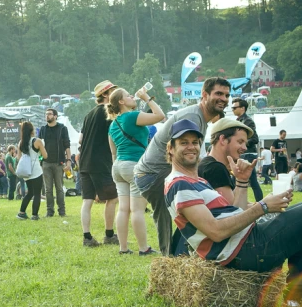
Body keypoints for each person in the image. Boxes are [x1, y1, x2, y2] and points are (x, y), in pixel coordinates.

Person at [164, 119, 302, 307]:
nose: (191, 147)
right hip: (247, 249)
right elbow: (217, 231)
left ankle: (299, 294)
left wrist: (242, 183)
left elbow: (235, 213)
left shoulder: (195, 180)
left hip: (246, 243)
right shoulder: (179, 184)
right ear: (171, 148)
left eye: (194, 142)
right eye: (183, 143)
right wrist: (263, 207)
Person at [134, 77, 231, 255]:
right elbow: (186, 156)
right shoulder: (193, 117)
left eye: (226, 95)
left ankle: (176, 255)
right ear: (204, 95)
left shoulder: (200, 118)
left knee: (187, 207)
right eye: (218, 93)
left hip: (153, 172)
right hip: (153, 173)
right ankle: (172, 257)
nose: (223, 98)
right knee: (185, 208)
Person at [107, 85, 163, 255]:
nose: (133, 96)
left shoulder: (113, 124)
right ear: (121, 101)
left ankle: (123, 248)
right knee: (137, 209)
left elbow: (113, 152)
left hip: (118, 167)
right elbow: (160, 116)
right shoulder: (132, 116)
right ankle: (143, 248)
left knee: (123, 209)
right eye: (128, 95)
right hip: (134, 165)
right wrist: (146, 98)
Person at [78, 81, 120, 247]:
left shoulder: (89, 114)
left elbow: (81, 139)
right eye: (113, 91)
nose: (116, 94)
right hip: (100, 162)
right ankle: (109, 235)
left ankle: (87, 237)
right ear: (105, 94)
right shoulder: (108, 111)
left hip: (85, 162)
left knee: (87, 200)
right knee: (113, 197)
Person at [198, 118, 253, 205]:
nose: (245, 148)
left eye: (245, 143)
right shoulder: (215, 168)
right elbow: (236, 213)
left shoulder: (208, 164)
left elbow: (238, 202)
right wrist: (264, 206)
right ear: (223, 139)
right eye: (240, 142)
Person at [40, 108, 71, 218]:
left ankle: (62, 211)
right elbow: (40, 146)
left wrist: (68, 161)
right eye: (46, 114)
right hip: (46, 163)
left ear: (55, 116)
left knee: (59, 188)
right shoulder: (43, 129)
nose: (47, 116)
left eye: (49, 114)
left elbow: (67, 145)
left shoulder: (62, 128)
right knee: (48, 189)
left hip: (59, 162)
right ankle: (50, 212)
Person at [230, 98, 263, 201]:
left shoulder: (248, 121)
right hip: (244, 154)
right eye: (232, 108)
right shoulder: (238, 121)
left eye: (235, 107)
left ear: (242, 108)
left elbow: (255, 138)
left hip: (248, 154)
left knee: (251, 181)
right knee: (236, 179)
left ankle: (260, 204)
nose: (232, 109)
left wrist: (241, 144)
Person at [16, 121, 47, 220]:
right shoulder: (37, 141)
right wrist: (39, 158)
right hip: (36, 170)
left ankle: (22, 212)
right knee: (37, 193)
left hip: (26, 171)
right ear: (32, 130)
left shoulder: (21, 142)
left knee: (30, 193)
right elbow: (45, 156)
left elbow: (18, 157)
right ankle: (34, 215)